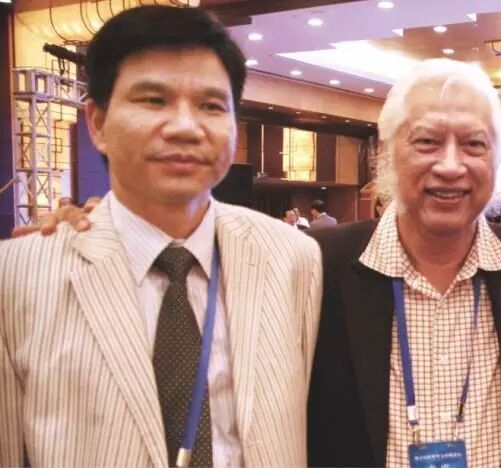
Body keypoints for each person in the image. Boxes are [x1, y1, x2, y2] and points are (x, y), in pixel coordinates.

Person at [0, 6, 321, 468]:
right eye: (154, 100)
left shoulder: (294, 257)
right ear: (97, 123)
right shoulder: (16, 276)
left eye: (211, 106)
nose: (185, 127)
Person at [307, 59, 501, 467]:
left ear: (497, 159)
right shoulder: (315, 267)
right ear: (387, 153)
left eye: (474, 144)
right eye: (427, 142)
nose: (451, 166)